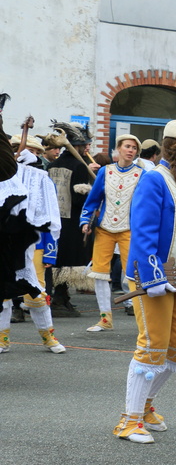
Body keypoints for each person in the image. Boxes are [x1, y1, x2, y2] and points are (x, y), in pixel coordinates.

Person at [114, 120, 176, 445]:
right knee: (153, 344)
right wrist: (151, 276)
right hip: (153, 274)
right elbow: (142, 228)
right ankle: (130, 420)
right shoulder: (153, 179)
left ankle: (146, 405)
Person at [0, 126, 64, 355]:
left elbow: (48, 217)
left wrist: (50, 251)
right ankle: (2, 339)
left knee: (36, 292)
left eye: (33, 151)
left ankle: (48, 337)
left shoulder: (40, 179)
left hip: (32, 246)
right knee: (4, 293)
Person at [79, 134, 144, 332]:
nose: (130, 150)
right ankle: (105, 319)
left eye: (134, 148)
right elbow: (93, 199)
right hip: (104, 227)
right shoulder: (105, 172)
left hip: (129, 229)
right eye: (127, 146)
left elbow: (144, 205)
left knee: (134, 274)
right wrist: (85, 220)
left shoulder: (142, 174)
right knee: (99, 273)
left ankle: (144, 320)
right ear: (118, 149)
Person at [47, 122, 97, 317]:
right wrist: (93, 194)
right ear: (76, 145)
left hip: (54, 220)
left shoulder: (52, 165)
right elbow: (78, 198)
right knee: (69, 261)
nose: (87, 148)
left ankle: (60, 297)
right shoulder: (79, 166)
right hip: (72, 221)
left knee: (56, 260)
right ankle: (60, 298)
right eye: (84, 145)